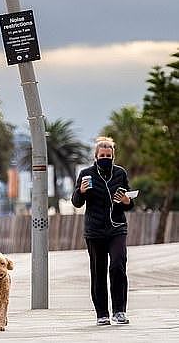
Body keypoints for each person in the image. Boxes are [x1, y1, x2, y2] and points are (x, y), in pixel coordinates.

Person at [72, 137, 135, 326]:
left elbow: (129, 203)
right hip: (95, 231)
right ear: (96, 156)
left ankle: (119, 311)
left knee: (117, 265)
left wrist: (126, 201)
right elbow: (76, 202)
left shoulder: (120, 173)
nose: (105, 158)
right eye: (102, 155)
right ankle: (102, 313)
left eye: (108, 155)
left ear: (113, 156)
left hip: (117, 228)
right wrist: (81, 191)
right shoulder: (86, 173)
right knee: (98, 272)